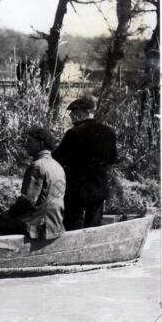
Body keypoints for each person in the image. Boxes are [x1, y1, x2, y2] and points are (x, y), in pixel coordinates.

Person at [53, 95, 117, 230]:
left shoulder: (74, 133)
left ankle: (72, 249)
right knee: (94, 227)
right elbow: (112, 159)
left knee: (72, 224)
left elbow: (58, 157)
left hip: (77, 187)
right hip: (99, 186)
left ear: (81, 114)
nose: (71, 117)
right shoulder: (109, 132)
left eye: (73, 114)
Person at [0, 127, 66, 239]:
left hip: (38, 227)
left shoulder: (37, 166)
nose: (26, 145)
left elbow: (27, 201)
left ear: (40, 144)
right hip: (56, 226)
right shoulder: (58, 166)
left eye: (30, 141)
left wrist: (9, 213)